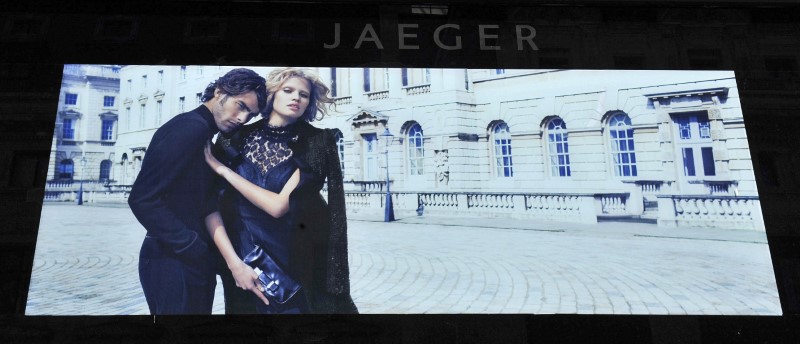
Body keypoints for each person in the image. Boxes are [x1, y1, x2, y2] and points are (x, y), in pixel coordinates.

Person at [204, 67, 358, 314]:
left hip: (295, 261)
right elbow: (211, 204)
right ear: (272, 94)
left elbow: (278, 207)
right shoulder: (234, 137)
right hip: (244, 257)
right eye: (288, 90)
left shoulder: (317, 142)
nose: (296, 97)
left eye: (304, 95)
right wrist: (233, 263)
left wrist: (222, 170)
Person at [128, 68, 267, 315]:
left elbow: (200, 200)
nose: (243, 118)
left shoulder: (202, 132)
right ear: (219, 92)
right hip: (172, 260)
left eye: (251, 114)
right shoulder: (189, 129)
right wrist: (192, 247)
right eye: (240, 106)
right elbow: (142, 198)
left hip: (184, 260)